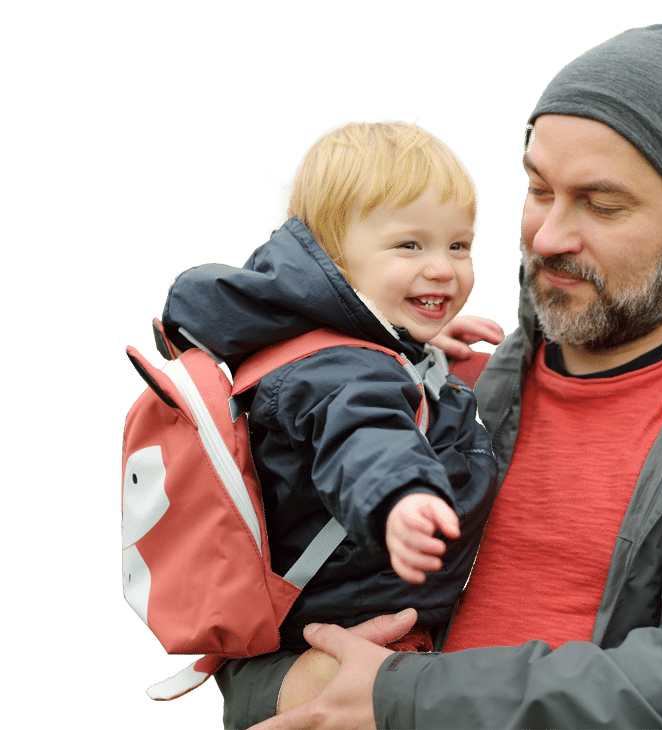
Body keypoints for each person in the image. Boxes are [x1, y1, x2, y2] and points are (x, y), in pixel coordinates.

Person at [227, 22, 662, 730]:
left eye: (601, 204)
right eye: (539, 189)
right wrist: (300, 687)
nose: (547, 234)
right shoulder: (447, 390)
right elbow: (252, 625)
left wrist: (402, 698)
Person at [157, 119, 500, 707]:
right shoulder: (343, 369)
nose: (444, 268)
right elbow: (364, 434)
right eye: (409, 246)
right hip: (362, 626)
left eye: (459, 245)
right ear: (333, 256)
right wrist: (401, 497)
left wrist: (420, 344)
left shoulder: (338, 350)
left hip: (336, 613)